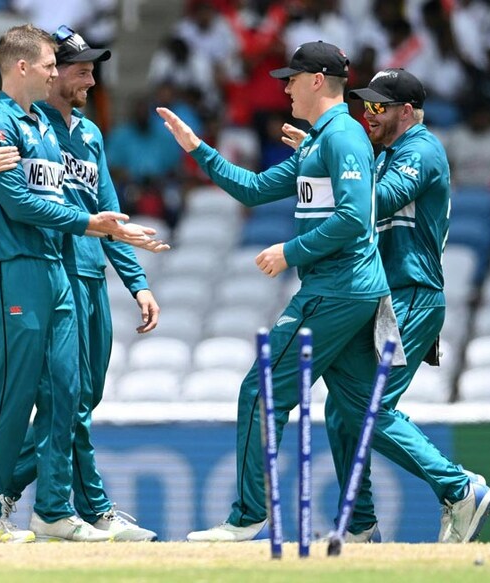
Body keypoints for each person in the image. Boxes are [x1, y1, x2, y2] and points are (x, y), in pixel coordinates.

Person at [157, 40, 395, 542]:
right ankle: (421, 502)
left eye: (291, 79)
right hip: (348, 289)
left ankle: (248, 516)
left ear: (315, 81)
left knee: (261, 391)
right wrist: (197, 148)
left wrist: (291, 252)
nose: (284, 88)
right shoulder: (321, 141)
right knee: (355, 409)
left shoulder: (343, 137)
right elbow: (253, 188)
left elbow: (354, 218)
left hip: (337, 287)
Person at [0, 25, 164, 542]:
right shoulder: (13, 121)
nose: (86, 78)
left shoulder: (71, 132)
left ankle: (47, 507)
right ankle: (4, 504)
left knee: (72, 395)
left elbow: (96, 204)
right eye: (67, 65)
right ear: (31, 69)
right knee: (29, 393)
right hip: (24, 264)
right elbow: (25, 201)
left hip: (61, 267)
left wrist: (131, 269)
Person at [283, 68, 490, 543]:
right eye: (364, 105)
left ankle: (459, 489)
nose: (367, 114)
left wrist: (328, 165)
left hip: (412, 294)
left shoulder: (421, 149)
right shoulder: (383, 156)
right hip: (387, 297)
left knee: (366, 407)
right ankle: (359, 526)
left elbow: (371, 203)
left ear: (406, 111)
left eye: (378, 106)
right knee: (344, 411)